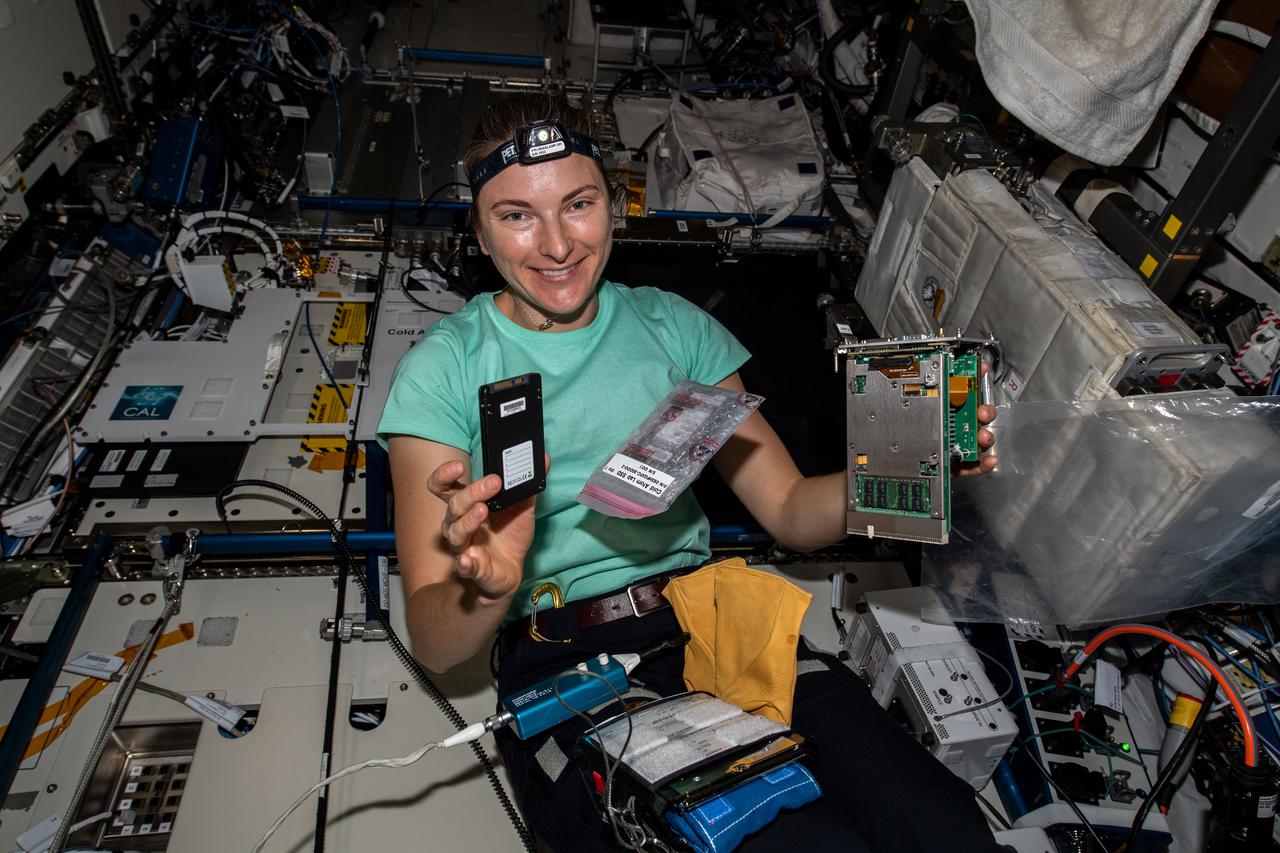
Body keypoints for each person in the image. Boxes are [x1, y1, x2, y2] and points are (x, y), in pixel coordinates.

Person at [378, 93, 1003, 852]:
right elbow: (439, 644)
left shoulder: (675, 326)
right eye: (516, 215)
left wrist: (912, 462)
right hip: (570, 663)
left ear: (614, 204)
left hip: (713, 622)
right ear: (477, 231)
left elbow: (792, 510)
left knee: (944, 827)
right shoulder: (441, 369)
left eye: (577, 204)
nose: (555, 244)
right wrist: (491, 585)